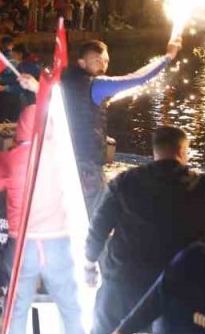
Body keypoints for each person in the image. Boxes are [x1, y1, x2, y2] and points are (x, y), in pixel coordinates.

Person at [85, 125, 205, 334]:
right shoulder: (203, 187)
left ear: (155, 151)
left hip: (125, 283)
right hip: (178, 289)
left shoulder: (124, 183)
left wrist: (89, 264)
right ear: (182, 152)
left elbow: (98, 228)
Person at [0, 105, 85, 334]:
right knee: (71, 309)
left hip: (22, 246)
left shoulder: (8, 159)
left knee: (17, 309)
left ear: (20, 126)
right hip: (58, 243)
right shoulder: (60, 156)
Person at [61, 38, 181, 211]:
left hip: (66, 160)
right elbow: (138, 78)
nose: (103, 65)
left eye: (106, 61)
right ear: (82, 62)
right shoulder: (96, 85)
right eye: (97, 60)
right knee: (95, 218)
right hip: (87, 167)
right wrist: (168, 56)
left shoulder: (66, 82)